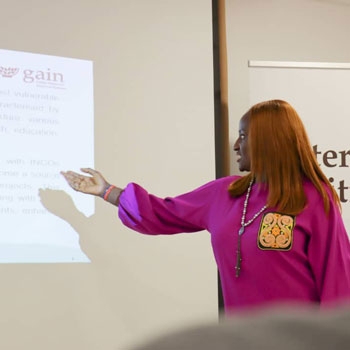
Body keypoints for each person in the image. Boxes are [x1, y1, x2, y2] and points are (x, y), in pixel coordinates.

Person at [61, 99, 350, 314]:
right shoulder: (225, 193)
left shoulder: (313, 198)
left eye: (244, 135)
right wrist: (107, 191)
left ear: (269, 140)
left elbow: (337, 277)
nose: (236, 145)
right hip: (243, 338)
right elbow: (161, 212)